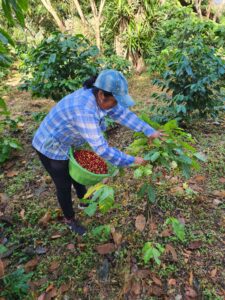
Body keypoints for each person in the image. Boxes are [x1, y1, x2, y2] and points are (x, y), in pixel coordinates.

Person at [32, 69, 163, 236]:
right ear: (101, 94)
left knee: (76, 171)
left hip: (68, 141)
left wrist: (148, 130)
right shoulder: (84, 110)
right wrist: (131, 160)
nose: (116, 105)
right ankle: (69, 220)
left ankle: (84, 200)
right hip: (49, 145)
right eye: (115, 101)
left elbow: (123, 114)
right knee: (63, 183)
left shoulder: (103, 99)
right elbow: (101, 149)